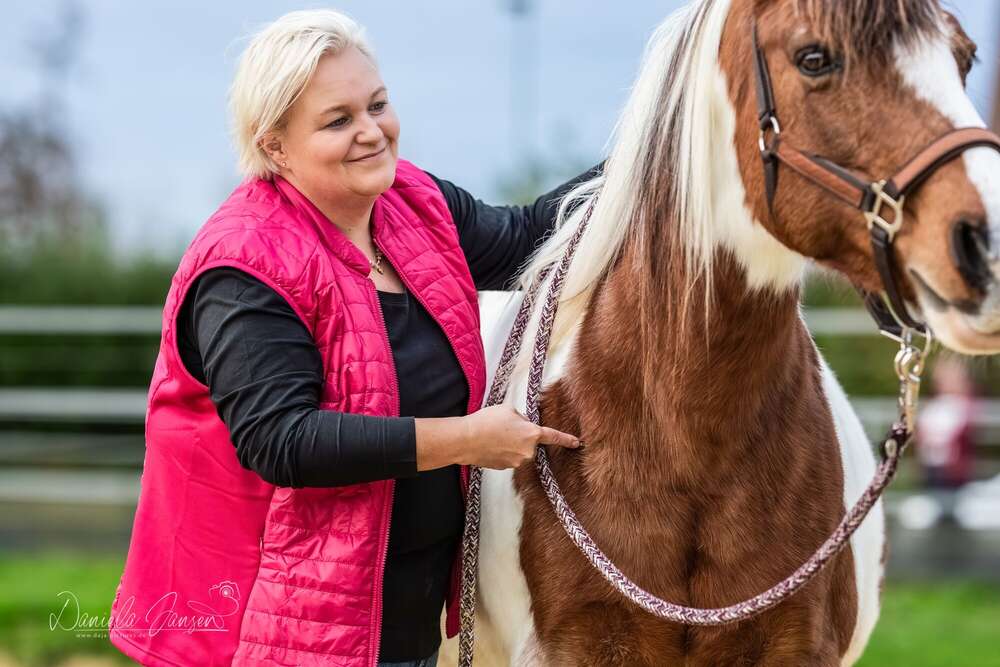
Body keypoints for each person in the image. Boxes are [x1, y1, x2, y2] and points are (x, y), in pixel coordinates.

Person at [108, 9, 596, 667]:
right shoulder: (243, 264)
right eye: (339, 120)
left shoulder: (415, 205)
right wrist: (470, 439)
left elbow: (536, 235)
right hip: (270, 638)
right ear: (273, 143)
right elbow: (283, 439)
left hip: (402, 627)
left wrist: (668, 135)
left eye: (378, 105)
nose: (372, 132)